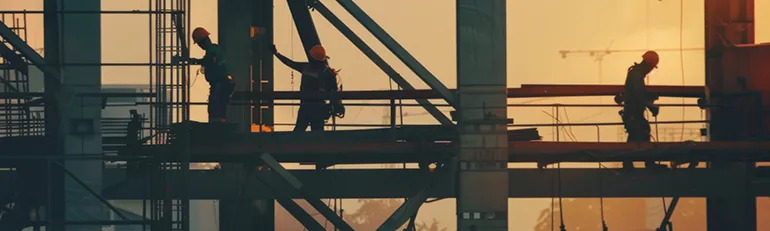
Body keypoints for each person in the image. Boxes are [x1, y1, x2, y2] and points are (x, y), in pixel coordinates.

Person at [272, 44, 344, 132]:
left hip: (306, 106)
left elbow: (290, 63)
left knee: (298, 132)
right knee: (317, 133)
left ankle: (292, 145)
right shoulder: (328, 73)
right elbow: (334, 93)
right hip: (319, 107)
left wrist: (276, 53)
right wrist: (338, 105)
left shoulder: (306, 67)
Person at [616, 50, 666, 170]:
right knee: (640, 133)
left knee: (637, 134)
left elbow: (637, 93)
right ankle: (642, 163)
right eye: (652, 67)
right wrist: (651, 105)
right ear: (648, 65)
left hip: (632, 111)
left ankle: (630, 163)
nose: (651, 70)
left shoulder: (635, 74)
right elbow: (638, 94)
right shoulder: (637, 75)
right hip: (633, 112)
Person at [175, 27, 235, 123]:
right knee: (218, 108)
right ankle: (218, 125)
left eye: (199, 44)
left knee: (215, 108)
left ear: (203, 42)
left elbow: (209, 60)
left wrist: (193, 61)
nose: (200, 46)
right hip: (221, 83)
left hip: (219, 83)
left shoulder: (212, 49)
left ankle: (217, 127)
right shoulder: (214, 49)